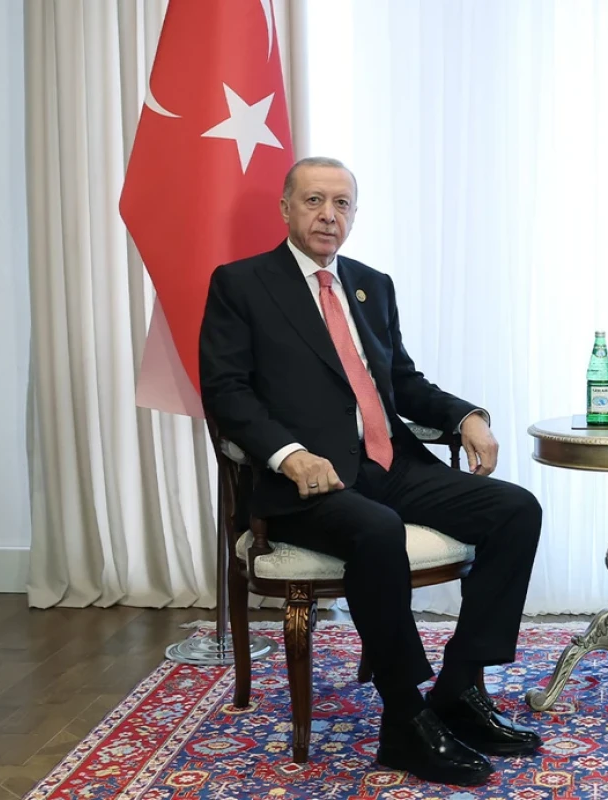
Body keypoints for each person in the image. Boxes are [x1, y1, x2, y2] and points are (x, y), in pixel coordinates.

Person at [199, 156, 543, 787]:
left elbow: (402, 383)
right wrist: (289, 454)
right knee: (378, 530)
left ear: (354, 215)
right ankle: (405, 718)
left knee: (515, 510)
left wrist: (467, 416)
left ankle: (459, 690)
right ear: (285, 207)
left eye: (342, 203)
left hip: (390, 464)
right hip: (307, 482)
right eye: (314, 200)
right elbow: (227, 392)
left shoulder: (370, 285)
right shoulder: (242, 284)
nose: (328, 215)